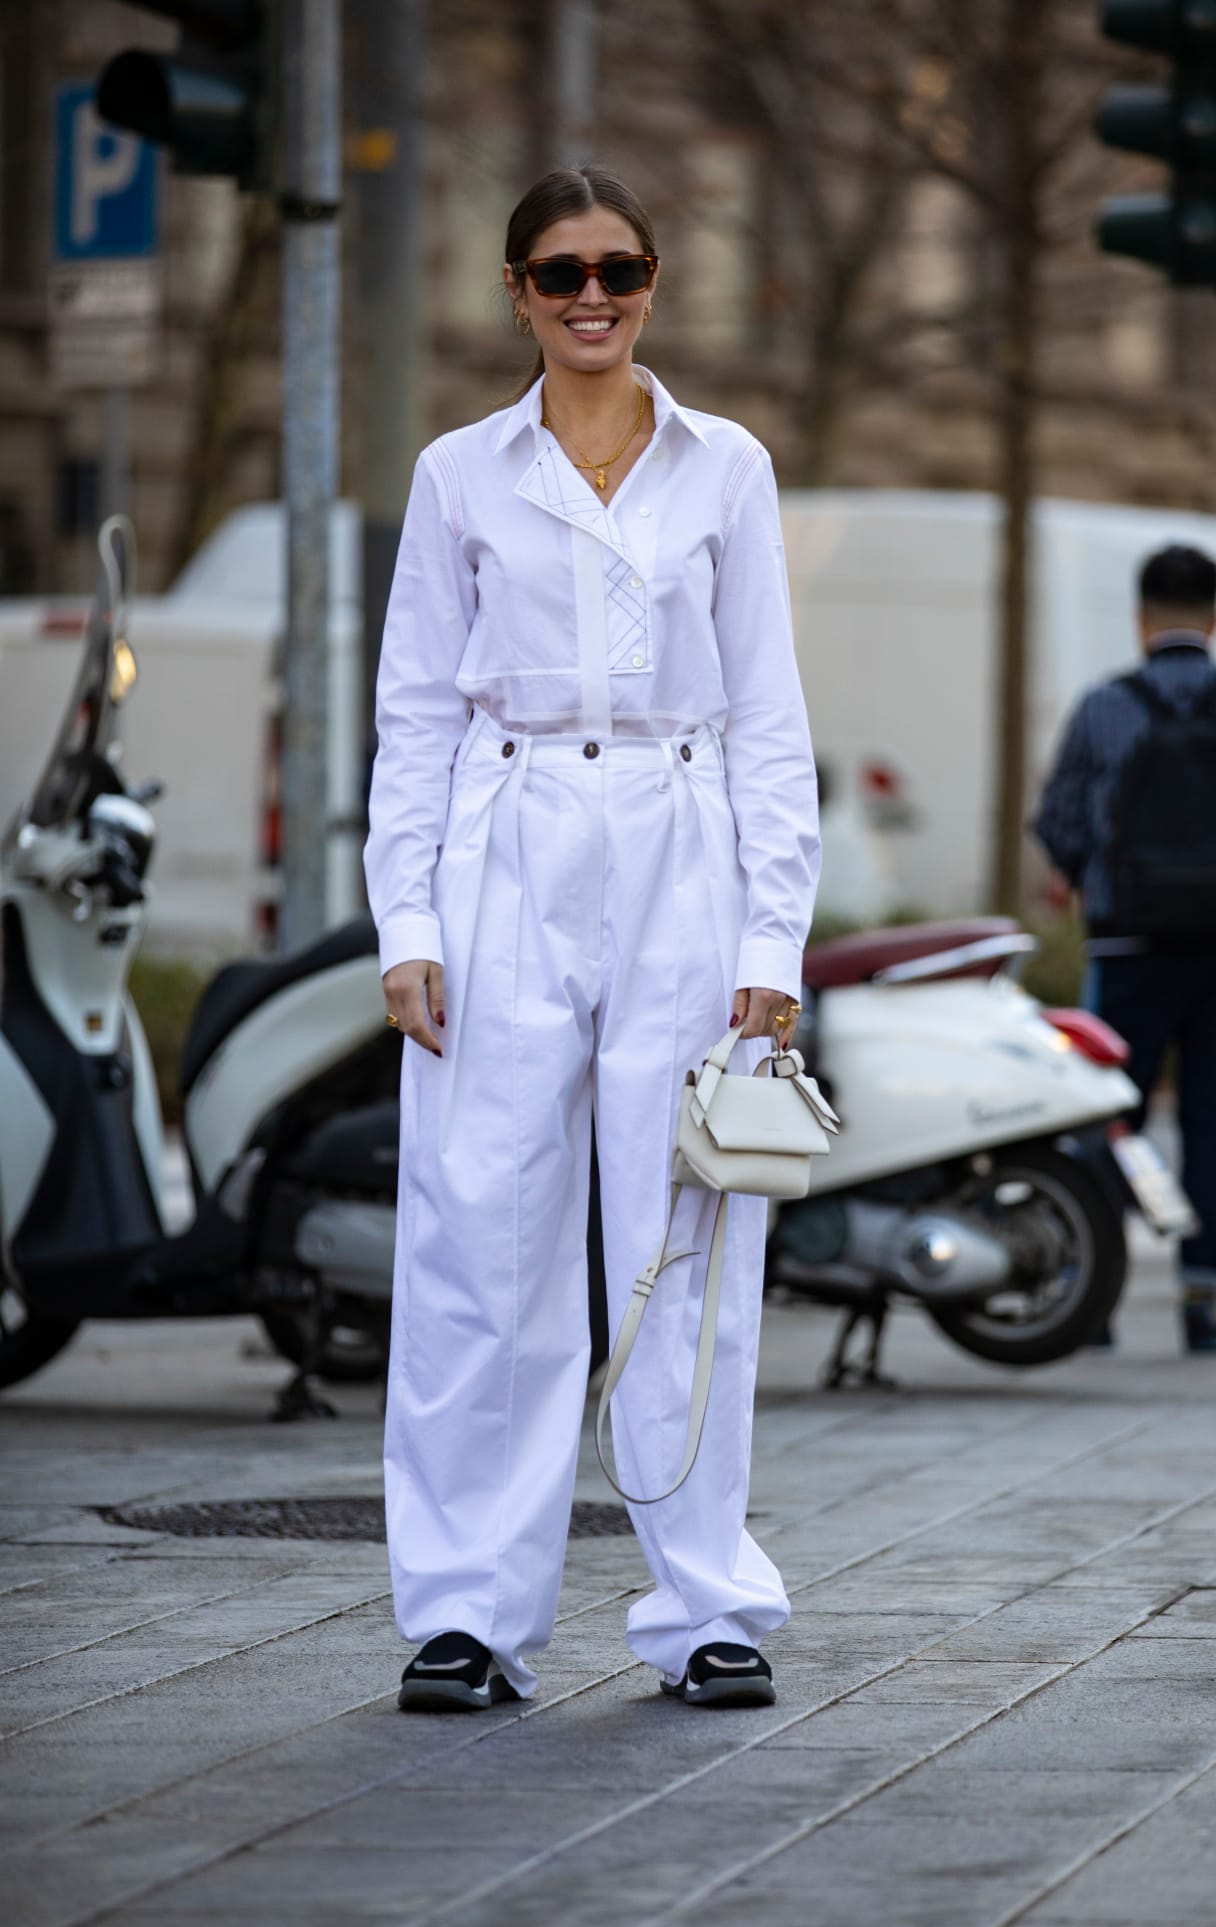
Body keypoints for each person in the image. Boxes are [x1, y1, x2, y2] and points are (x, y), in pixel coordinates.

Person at [363, 166, 820, 1712]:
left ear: (649, 284)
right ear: (516, 292)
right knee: (477, 1233)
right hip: (506, 852)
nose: (591, 296)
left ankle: (705, 1608)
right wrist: (406, 919)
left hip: (684, 854)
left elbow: (766, 715)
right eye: (560, 272)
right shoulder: (459, 475)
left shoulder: (727, 467)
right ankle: (467, 1615)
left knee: (689, 1235)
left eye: (618, 268)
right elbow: (414, 710)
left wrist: (776, 935)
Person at [1033, 544, 1216, 1354]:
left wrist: (1093, 875)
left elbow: (1057, 819)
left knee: (1110, 1116)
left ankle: (1096, 1300)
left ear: (1140, 618)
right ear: (1215, 617)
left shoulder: (1102, 707)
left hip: (1132, 942)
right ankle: (1201, 1302)